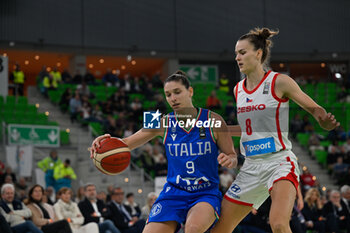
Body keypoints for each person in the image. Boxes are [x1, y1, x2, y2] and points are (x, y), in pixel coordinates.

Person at [211, 27, 339, 233]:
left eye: (242, 52)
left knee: (279, 224)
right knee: (219, 228)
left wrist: (322, 119)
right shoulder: (238, 90)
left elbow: (313, 107)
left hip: (279, 162)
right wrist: (216, 129)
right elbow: (247, 129)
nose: (237, 58)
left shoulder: (278, 82)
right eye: (236, 53)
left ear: (258, 53)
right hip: (251, 167)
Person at [90, 70, 237, 233]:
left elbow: (232, 155)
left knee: (193, 228)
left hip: (205, 192)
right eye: (168, 95)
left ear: (190, 91)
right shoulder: (160, 121)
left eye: (177, 92)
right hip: (174, 192)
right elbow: (126, 143)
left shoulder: (214, 120)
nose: (173, 98)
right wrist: (106, 141)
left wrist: (230, 159)